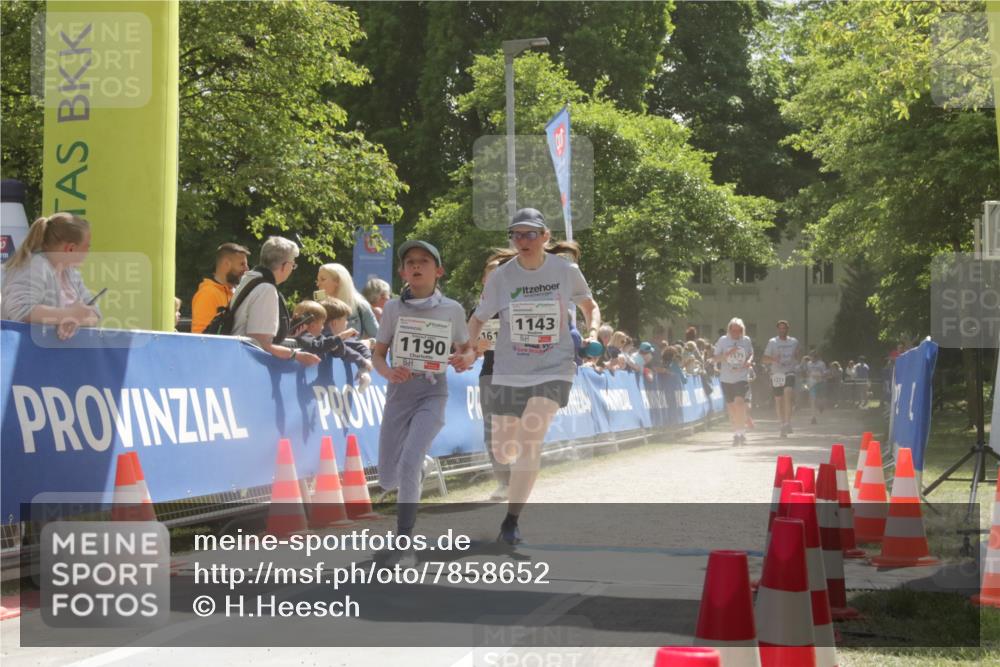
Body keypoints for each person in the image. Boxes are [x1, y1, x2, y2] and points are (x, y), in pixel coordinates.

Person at [467, 207, 601, 545]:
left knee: (530, 440)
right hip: (510, 371)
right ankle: (512, 477)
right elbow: (479, 317)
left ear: (545, 236)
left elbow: (589, 305)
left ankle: (511, 522)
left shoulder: (566, 270)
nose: (523, 240)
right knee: (502, 450)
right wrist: (469, 346)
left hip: (554, 367)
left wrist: (594, 332)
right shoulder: (502, 277)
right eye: (516, 234)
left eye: (530, 234)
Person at [373, 240, 473, 547]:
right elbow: (378, 355)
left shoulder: (452, 309)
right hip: (399, 393)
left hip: (433, 392)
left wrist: (464, 359)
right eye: (410, 262)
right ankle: (422, 467)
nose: (416, 266)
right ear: (402, 272)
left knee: (409, 462)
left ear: (438, 271)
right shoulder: (392, 308)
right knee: (387, 479)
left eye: (424, 261)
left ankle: (404, 535)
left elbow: (468, 349)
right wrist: (389, 372)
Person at [1, 212, 101, 340]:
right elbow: (20, 310)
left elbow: (95, 314)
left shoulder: (70, 273)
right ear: (70, 249)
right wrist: (68, 315)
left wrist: (74, 321)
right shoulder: (34, 266)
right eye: (87, 246)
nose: (88, 251)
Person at [231, 236, 320, 367]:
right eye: (293, 264)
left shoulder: (250, 278)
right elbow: (260, 344)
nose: (292, 269)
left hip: (237, 356)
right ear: (284, 266)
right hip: (246, 365)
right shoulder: (266, 289)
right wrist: (297, 355)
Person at [476, 249, 516, 502]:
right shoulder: (477, 309)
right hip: (489, 374)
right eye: (490, 276)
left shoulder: (519, 305)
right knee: (491, 429)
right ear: (483, 281)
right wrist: (473, 346)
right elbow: (466, 342)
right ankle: (504, 481)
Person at [292, 299, 372, 390]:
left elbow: (343, 349)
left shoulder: (319, 337)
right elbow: (318, 346)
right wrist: (341, 337)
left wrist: (363, 362)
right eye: (322, 323)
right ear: (313, 324)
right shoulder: (304, 335)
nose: (323, 328)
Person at [190, 242, 250, 333]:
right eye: (242, 264)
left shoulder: (235, 292)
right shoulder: (208, 294)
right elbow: (200, 337)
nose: (247, 269)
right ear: (226, 264)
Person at [712, 317, 754, 446]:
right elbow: (714, 358)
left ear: (742, 330)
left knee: (739, 403)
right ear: (729, 330)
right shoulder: (723, 341)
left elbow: (751, 353)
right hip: (726, 378)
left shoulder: (746, 340)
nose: (736, 333)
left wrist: (749, 361)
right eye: (733, 330)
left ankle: (740, 434)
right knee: (732, 408)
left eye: (739, 330)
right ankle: (737, 432)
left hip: (741, 377)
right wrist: (727, 354)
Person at [315, 263, 379, 342]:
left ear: (338, 281)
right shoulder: (318, 308)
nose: (318, 284)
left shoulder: (361, 306)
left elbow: (379, 338)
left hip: (357, 353)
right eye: (317, 280)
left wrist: (367, 343)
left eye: (323, 279)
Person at [762, 319, 801, 438]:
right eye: (780, 328)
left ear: (787, 329)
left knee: (788, 393)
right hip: (777, 374)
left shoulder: (794, 341)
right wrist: (774, 359)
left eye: (784, 328)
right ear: (778, 329)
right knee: (779, 400)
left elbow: (798, 356)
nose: (782, 330)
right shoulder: (772, 342)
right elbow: (764, 359)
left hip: (789, 371)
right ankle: (782, 424)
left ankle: (788, 423)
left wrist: (797, 355)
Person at [804, 353, 828, 423]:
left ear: (816, 357)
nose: (812, 359)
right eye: (811, 357)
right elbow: (807, 372)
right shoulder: (808, 364)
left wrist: (820, 375)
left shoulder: (821, 364)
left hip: (820, 382)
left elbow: (824, 372)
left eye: (813, 357)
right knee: (812, 400)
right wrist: (809, 376)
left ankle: (821, 406)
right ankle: (813, 417)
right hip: (812, 383)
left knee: (820, 399)